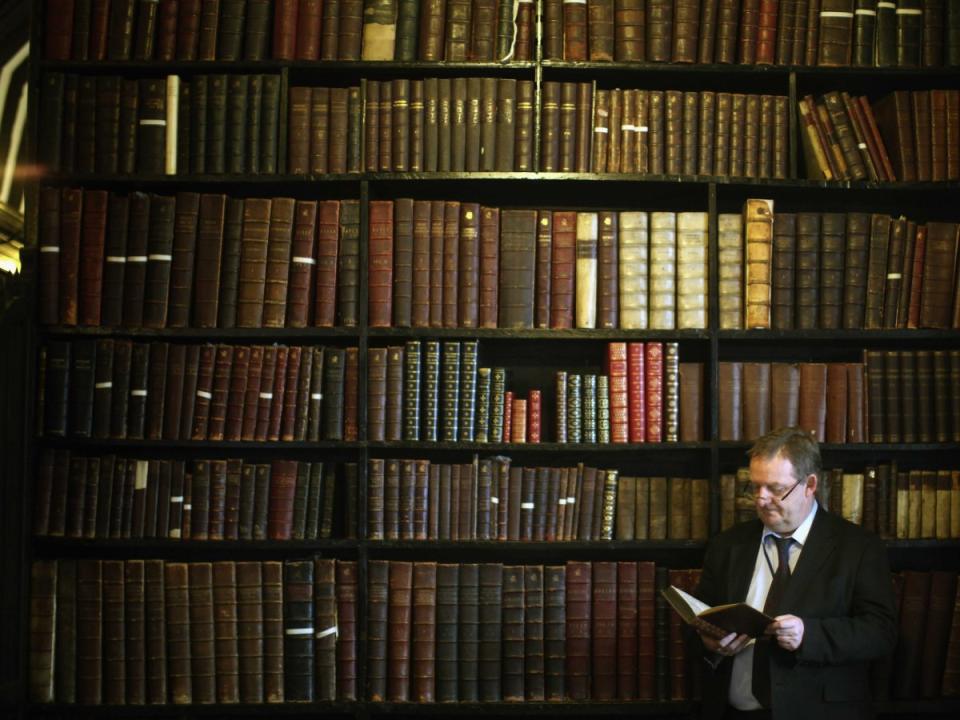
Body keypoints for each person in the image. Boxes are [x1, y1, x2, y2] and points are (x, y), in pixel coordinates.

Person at [695, 427, 897, 720]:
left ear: (810, 484)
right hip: (733, 711)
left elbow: (881, 633)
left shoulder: (859, 547)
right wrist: (707, 640)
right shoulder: (728, 545)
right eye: (755, 487)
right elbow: (699, 619)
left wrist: (809, 635)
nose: (761, 500)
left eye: (775, 488)